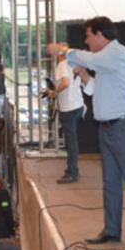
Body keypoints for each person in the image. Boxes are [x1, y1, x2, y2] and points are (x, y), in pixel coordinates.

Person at [48, 18, 125, 249]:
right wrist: (87, 76)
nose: (87, 41)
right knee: (110, 183)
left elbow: (88, 58)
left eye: (89, 36)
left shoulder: (116, 53)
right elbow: (98, 89)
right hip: (108, 128)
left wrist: (64, 50)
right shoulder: (106, 61)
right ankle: (111, 230)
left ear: (100, 35)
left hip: (123, 126)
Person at [45, 46, 85, 183]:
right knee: (72, 140)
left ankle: (72, 172)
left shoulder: (62, 64)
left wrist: (54, 92)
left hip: (68, 108)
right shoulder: (75, 63)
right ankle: (74, 168)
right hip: (78, 105)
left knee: (71, 142)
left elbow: (65, 83)